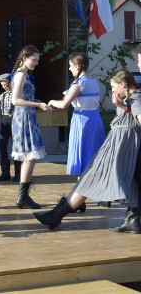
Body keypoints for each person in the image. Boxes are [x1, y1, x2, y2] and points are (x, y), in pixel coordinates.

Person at [34, 69, 140, 232]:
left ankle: (56, 216)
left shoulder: (136, 99)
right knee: (123, 181)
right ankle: (132, 220)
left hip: (121, 149)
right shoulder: (131, 99)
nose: (112, 91)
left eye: (113, 87)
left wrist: (122, 107)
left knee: (89, 179)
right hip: (119, 147)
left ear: (123, 84)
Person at [47, 52, 105, 187]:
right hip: (95, 119)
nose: (69, 69)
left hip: (82, 120)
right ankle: (100, 192)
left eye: (71, 66)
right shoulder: (93, 82)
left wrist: (51, 102)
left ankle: (80, 195)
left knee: (82, 157)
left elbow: (64, 104)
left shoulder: (78, 84)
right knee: (93, 154)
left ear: (78, 66)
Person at [11, 45, 48, 209]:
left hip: (28, 115)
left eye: (37, 60)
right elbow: (15, 100)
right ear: (24, 57)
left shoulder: (24, 74)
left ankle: (23, 196)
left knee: (30, 157)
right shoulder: (20, 75)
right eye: (34, 60)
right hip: (23, 117)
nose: (36, 63)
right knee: (29, 156)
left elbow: (23, 98)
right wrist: (37, 104)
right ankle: (23, 197)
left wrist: (38, 103)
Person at [0, 73, 18, 182]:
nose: (4, 87)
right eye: (2, 85)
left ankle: (18, 174)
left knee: (16, 148)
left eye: (6, 84)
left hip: (16, 121)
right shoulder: (2, 96)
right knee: (2, 146)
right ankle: (5, 173)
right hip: (5, 121)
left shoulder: (18, 94)